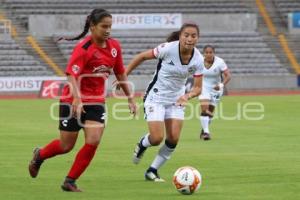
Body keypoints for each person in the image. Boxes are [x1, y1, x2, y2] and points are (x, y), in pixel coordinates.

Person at [28, 8, 137, 192]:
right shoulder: (84, 48)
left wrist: (130, 98)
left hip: (96, 102)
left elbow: (120, 73)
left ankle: (69, 181)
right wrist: (77, 100)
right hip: (72, 99)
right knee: (65, 146)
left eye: (110, 26)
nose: (108, 30)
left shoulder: (114, 47)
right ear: (93, 27)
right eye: (104, 26)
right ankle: (39, 156)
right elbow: (71, 74)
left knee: (93, 140)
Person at [124, 23, 204, 181]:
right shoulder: (167, 49)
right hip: (156, 97)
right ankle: (142, 144)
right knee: (156, 138)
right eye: (186, 35)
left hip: (177, 100)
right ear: (180, 36)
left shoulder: (198, 59)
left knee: (173, 138)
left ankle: (152, 170)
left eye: (193, 36)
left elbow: (198, 88)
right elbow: (141, 57)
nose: (189, 39)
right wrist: (123, 76)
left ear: (198, 38)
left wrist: (187, 96)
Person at [198, 45, 231, 140]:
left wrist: (221, 85)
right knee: (205, 109)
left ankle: (204, 130)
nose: (208, 54)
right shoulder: (199, 62)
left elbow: (228, 76)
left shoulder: (220, 62)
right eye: (206, 52)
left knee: (210, 112)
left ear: (214, 53)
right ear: (203, 53)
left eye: (210, 52)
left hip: (216, 89)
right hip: (203, 87)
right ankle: (207, 133)